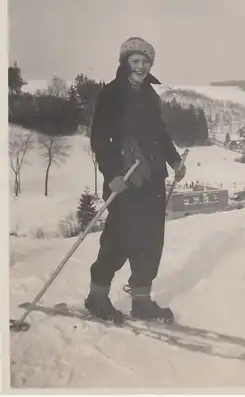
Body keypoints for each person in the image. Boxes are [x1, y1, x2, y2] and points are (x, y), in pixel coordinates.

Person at [85, 37, 186, 324]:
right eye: (136, 61)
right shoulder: (112, 94)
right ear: (126, 62)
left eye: (146, 62)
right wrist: (112, 174)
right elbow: (100, 139)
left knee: (151, 240)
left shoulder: (151, 96)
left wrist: (175, 160)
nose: (141, 66)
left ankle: (142, 301)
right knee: (119, 239)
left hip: (152, 177)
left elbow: (160, 135)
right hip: (124, 178)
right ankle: (97, 297)